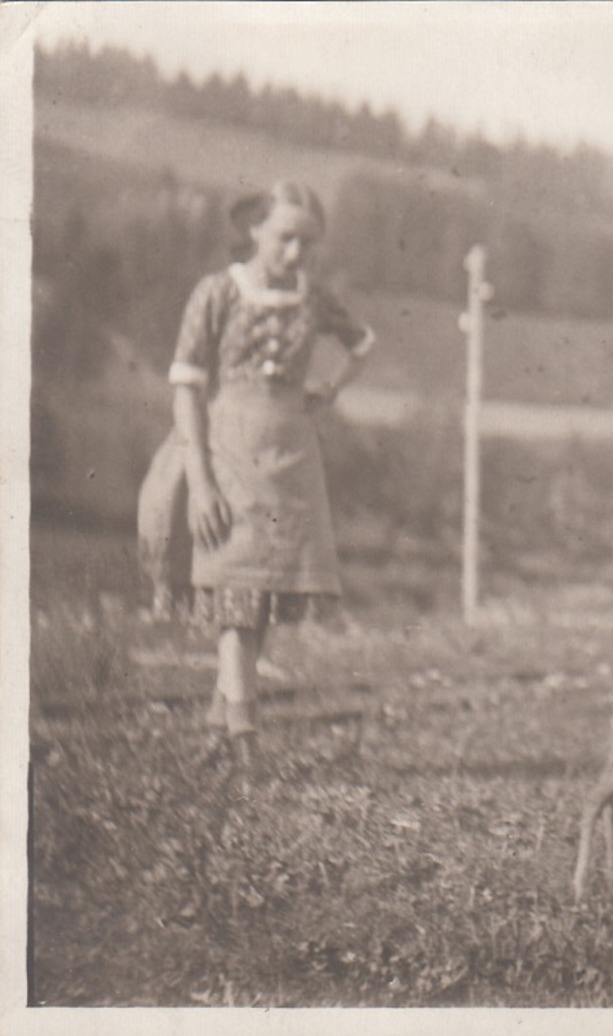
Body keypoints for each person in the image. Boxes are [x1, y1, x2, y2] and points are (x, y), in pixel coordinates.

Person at [150, 179, 375, 774]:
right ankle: (246, 737)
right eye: (285, 238)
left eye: (309, 243)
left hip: (292, 460)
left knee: (263, 595)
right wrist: (200, 484)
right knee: (234, 594)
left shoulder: (313, 298)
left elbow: (362, 344)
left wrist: (329, 388)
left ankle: (221, 722)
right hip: (226, 452)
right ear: (254, 229)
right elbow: (186, 390)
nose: (296, 254)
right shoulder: (217, 293)